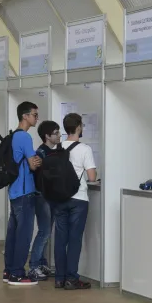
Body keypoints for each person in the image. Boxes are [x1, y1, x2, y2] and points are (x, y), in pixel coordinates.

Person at [50, 113, 97, 290]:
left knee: (60, 238)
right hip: (78, 199)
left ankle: (59, 278)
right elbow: (92, 177)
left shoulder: (57, 147)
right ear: (78, 127)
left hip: (59, 198)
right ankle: (71, 278)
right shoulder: (85, 149)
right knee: (75, 239)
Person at [3, 101, 42, 286]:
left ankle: (9, 270)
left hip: (14, 191)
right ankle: (18, 273)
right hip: (26, 191)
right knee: (24, 234)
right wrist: (36, 161)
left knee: (13, 233)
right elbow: (33, 164)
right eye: (34, 114)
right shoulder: (25, 137)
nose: (36, 118)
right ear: (25, 116)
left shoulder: (12, 136)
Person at [29, 120, 60, 281]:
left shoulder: (52, 152)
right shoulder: (41, 153)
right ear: (47, 136)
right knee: (44, 231)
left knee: (47, 232)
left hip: (51, 196)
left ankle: (42, 263)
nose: (59, 135)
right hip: (42, 196)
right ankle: (33, 265)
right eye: (55, 133)